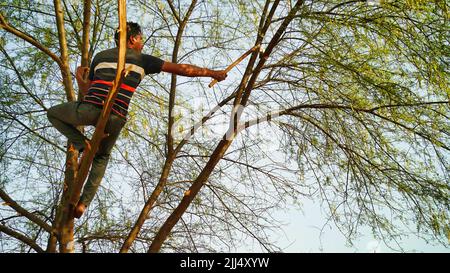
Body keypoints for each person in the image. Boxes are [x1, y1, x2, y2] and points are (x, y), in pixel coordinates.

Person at [47, 22, 227, 218]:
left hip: (90, 110)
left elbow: (90, 93)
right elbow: (183, 69)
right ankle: (83, 204)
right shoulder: (142, 59)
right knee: (102, 156)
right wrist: (212, 73)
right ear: (132, 39)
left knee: (53, 114)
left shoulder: (100, 56)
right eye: (141, 39)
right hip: (116, 117)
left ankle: (82, 145)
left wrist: (79, 79)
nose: (142, 43)